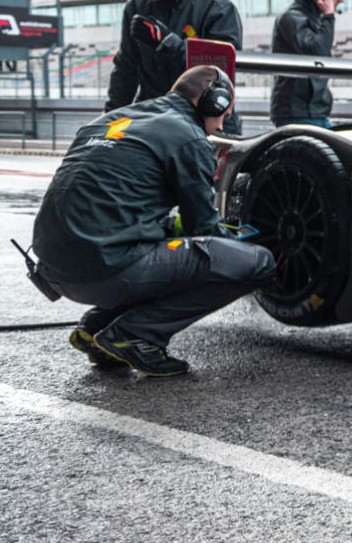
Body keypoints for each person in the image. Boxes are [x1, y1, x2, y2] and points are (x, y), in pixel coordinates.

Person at [32, 66, 277, 376]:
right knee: (256, 263)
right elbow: (204, 230)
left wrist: (171, 229)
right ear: (210, 102)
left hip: (54, 269)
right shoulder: (189, 138)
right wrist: (241, 242)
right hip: (102, 270)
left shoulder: (109, 121)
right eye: (223, 114)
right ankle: (136, 334)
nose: (221, 124)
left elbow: (113, 204)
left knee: (169, 248)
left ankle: (96, 327)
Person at [109, 0, 246, 135]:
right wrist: (110, 117)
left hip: (205, 121)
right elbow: (125, 69)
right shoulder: (136, 9)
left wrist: (167, 43)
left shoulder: (216, 8)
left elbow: (220, 72)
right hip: (154, 121)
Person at [270, 0, 345, 128]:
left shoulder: (314, 17)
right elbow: (318, 53)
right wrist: (329, 15)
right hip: (297, 114)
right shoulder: (292, 17)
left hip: (314, 112)